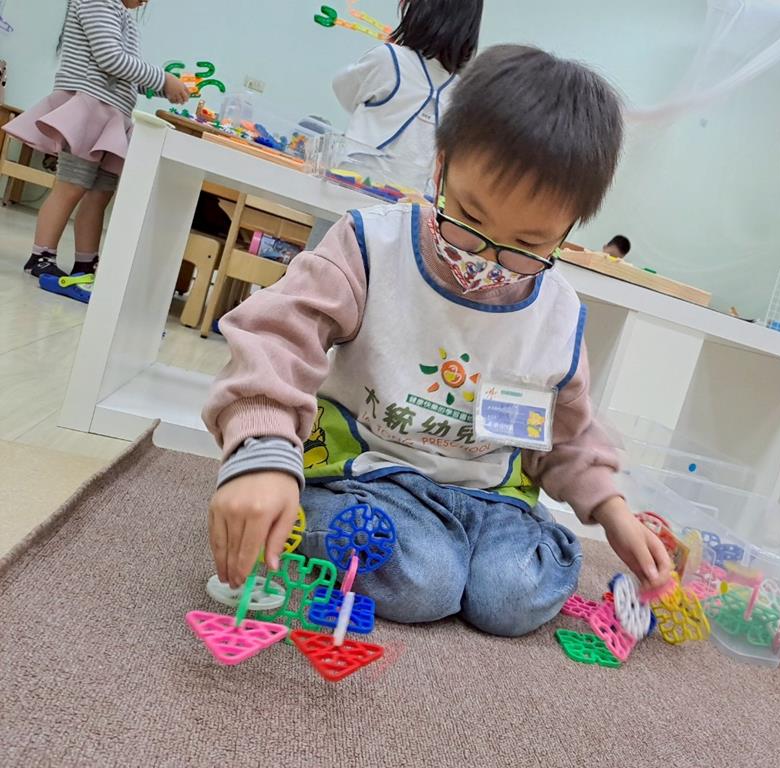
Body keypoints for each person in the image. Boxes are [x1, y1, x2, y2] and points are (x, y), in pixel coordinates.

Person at [203, 45, 674, 637]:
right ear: (441, 167)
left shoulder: (558, 312)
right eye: (468, 218)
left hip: (492, 498)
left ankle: (457, 556)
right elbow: (277, 337)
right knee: (425, 581)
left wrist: (612, 510)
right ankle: (331, 520)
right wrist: (263, 451)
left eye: (528, 245)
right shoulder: (371, 245)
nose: (486, 259)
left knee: (511, 596)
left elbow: (568, 435)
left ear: (569, 229)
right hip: (370, 475)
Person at [7, 0, 189, 279]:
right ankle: (41, 255)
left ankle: (86, 262)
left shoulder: (123, 16)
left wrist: (166, 87)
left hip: (111, 116)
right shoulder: (97, 2)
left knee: (100, 194)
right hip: (90, 110)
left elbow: (124, 73)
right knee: (71, 185)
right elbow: (110, 59)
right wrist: (162, 78)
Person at [306, 0, 483, 249]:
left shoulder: (388, 59)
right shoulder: (461, 91)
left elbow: (343, 89)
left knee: (323, 262)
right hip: (407, 212)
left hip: (349, 192)